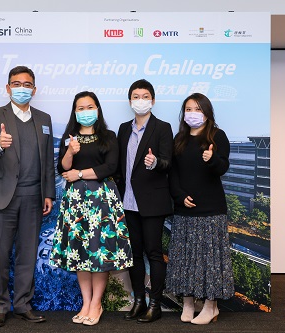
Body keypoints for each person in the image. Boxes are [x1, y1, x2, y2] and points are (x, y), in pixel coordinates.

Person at [0, 66, 55, 327]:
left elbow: (48, 162)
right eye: (16, 83)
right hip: (2, 197)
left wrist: (49, 194)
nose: (22, 88)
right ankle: (0, 307)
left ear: (34, 89)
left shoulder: (44, 118)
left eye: (27, 84)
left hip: (34, 196)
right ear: (7, 88)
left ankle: (23, 304)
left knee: (27, 254)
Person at [50, 91, 133, 326]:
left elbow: (111, 167)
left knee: (99, 253)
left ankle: (97, 303)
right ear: (74, 111)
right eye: (80, 108)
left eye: (89, 107)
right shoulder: (70, 137)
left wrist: (79, 174)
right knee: (80, 254)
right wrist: (70, 152)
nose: (85, 112)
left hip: (101, 200)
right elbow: (62, 168)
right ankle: (86, 303)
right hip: (75, 201)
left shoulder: (108, 136)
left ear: (97, 109)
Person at [166, 92, 235, 325]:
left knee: (209, 261)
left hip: (211, 210)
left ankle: (210, 306)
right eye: (188, 109)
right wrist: (179, 196)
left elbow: (222, 167)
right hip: (184, 209)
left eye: (197, 109)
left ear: (207, 112)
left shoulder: (217, 135)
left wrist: (211, 158)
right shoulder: (179, 139)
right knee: (184, 259)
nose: (192, 113)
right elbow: (172, 174)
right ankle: (187, 304)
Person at [116, 79, 173, 323]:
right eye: (136, 96)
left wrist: (155, 163)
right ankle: (139, 301)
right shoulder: (123, 129)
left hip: (152, 202)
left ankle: (156, 304)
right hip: (127, 202)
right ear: (130, 101)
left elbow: (168, 161)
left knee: (154, 253)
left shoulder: (162, 127)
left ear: (153, 100)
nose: (141, 100)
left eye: (145, 95)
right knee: (134, 255)